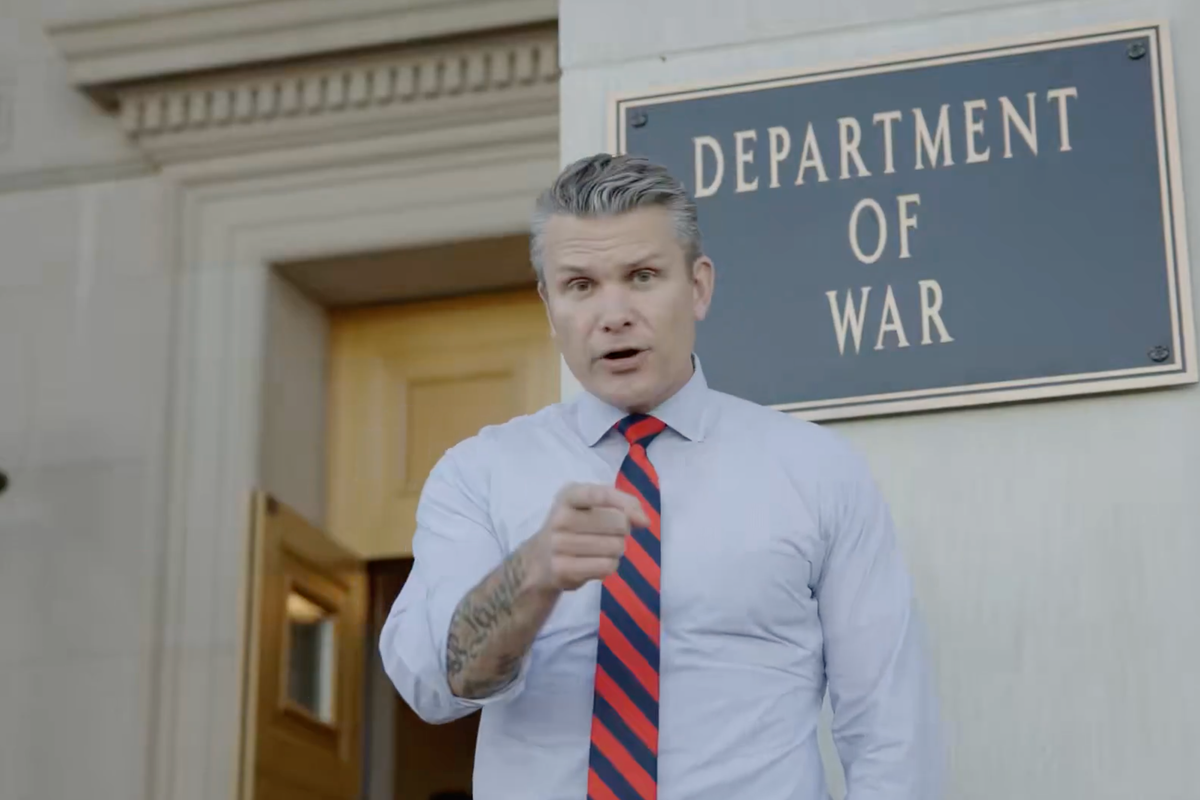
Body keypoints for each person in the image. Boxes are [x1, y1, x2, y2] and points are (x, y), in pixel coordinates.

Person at [380, 153, 942, 799]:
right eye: (580, 286)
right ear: (549, 305)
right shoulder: (478, 473)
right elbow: (434, 688)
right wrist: (530, 574)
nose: (613, 313)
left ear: (698, 286)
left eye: (642, 276)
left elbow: (889, 725)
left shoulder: (816, 470)